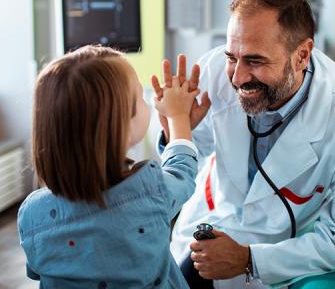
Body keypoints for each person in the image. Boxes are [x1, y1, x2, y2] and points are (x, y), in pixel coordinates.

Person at [153, 0, 335, 288]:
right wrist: (178, 128)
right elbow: (196, 152)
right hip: (205, 220)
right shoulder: (213, 71)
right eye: (232, 57)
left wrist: (249, 259)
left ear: (301, 55)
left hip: (274, 245)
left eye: (255, 61)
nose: (237, 77)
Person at [17, 45, 210, 288]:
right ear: (121, 126)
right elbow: (182, 170)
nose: (147, 102)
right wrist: (178, 116)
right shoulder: (149, 195)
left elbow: (36, 271)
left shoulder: (32, 213)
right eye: (140, 96)